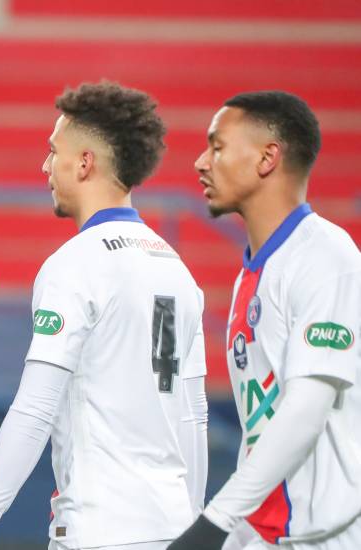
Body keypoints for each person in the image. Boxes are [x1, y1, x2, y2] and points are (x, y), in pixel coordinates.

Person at [0, 81, 209, 550]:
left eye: (54, 152)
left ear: (85, 162)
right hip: (172, 525)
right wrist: (190, 523)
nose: (45, 166)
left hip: (100, 530)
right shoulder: (177, 270)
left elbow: (34, 409)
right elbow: (193, 415)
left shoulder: (75, 265)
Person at [169, 92, 361, 550]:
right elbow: (265, 427)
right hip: (272, 536)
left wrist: (213, 524)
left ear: (267, 158)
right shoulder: (251, 275)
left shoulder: (327, 258)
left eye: (217, 147)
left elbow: (305, 411)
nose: (200, 162)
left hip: (331, 537)